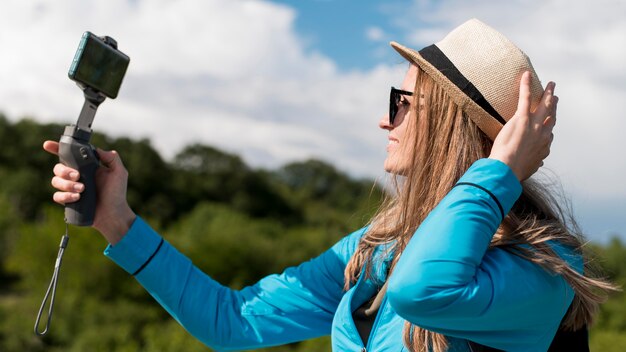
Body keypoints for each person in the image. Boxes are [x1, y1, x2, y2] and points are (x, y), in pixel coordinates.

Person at [44, 19, 614, 351]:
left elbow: (423, 292)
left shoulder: (542, 269)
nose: (384, 121)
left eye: (402, 102)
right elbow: (233, 321)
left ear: (448, 123)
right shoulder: (377, 249)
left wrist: (501, 174)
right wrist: (117, 223)